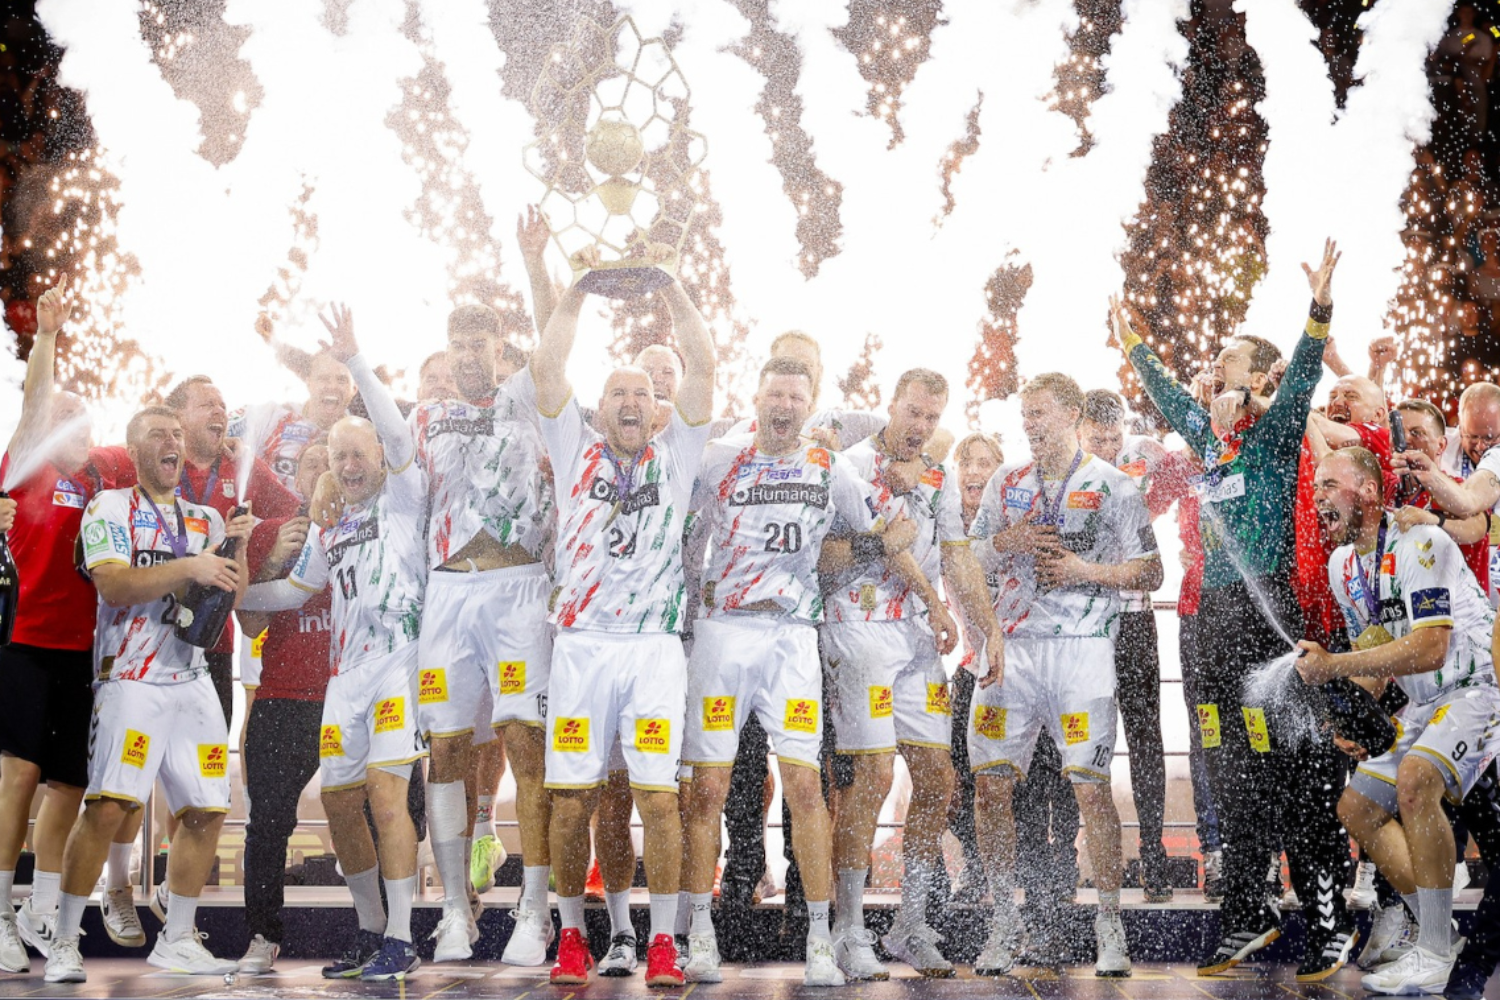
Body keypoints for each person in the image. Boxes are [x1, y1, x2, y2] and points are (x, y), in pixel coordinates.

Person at [1114, 241, 1360, 980]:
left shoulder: (1278, 432)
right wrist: (1131, 342)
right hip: (1210, 623)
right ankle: (1248, 910)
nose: (1216, 370)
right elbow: (1167, 395)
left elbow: (1305, 370)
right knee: (1230, 764)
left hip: (1270, 616)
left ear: (1256, 377)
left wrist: (1319, 308)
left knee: (1295, 767)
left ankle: (1327, 918)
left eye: (1230, 363)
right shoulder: (1207, 439)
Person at [680, 357, 943, 986]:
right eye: (775, 394)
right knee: (709, 790)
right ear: (757, 397)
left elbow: (883, 533)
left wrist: (929, 597)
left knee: (805, 788)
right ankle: (698, 934)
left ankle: (822, 941)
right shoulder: (718, 457)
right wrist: (683, 616)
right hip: (723, 635)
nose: (784, 406)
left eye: (796, 398)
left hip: (793, 640)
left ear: (811, 404)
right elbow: (677, 529)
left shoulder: (830, 465)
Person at [530, 275, 714, 987]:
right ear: (599, 407)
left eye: (642, 393)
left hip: (653, 652)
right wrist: (578, 290)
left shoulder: (680, 452)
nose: (631, 401)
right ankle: (573, 938)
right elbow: (549, 364)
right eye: (617, 393)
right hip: (580, 648)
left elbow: (704, 363)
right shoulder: (572, 445)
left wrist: (670, 287)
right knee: (571, 800)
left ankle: (662, 942)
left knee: (658, 800)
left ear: (659, 408)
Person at [241, 305, 428, 982]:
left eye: (359, 453)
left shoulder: (404, 496)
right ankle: (370, 929)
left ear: (380, 457)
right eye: (339, 455)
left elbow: (398, 433)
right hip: (343, 678)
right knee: (339, 802)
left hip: (398, 668)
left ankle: (403, 935)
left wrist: (354, 360)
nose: (349, 464)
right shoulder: (330, 524)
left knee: (386, 797)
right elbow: (294, 592)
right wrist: (235, 594)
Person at [45, 407, 251, 982]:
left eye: (177, 434)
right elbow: (114, 585)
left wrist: (236, 551)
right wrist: (190, 566)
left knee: (208, 809)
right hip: (131, 679)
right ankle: (64, 940)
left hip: (192, 679)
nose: (172, 442)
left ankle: (177, 938)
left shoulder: (206, 518)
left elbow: (232, 595)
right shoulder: (109, 507)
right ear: (134, 452)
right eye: (158, 434)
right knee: (109, 806)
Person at [965, 372, 1161, 979]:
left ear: (1073, 414)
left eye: (1041, 413)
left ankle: (1109, 923)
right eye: (1026, 414)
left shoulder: (1114, 484)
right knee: (990, 786)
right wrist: (1009, 540)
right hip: (1012, 651)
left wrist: (1085, 570)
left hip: (1082, 651)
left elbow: (1151, 572)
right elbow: (968, 559)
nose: (1031, 424)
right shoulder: (1006, 481)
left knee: (1090, 788)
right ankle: (1004, 920)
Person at [818, 369, 1001, 981]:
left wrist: (988, 628)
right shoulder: (848, 466)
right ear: (891, 406)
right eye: (913, 413)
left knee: (939, 778)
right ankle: (848, 929)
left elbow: (957, 555)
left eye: (932, 417)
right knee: (871, 775)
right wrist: (933, 599)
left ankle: (910, 923)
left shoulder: (939, 475)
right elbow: (824, 556)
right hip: (858, 626)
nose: (921, 426)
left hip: (917, 639)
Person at [1297, 447, 1500, 994]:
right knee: (1356, 807)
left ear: (1368, 491)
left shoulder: (1420, 541)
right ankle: (1440, 938)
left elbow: (1432, 647)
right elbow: (1376, 651)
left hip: (1477, 687)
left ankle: (1431, 951)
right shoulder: (1344, 566)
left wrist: (1334, 665)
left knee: (1415, 781)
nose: (1317, 497)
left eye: (1329, 485)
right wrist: (1350, 715)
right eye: (1314, 487)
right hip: (1425, 702)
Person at [407, 297, 554, 967]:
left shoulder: (527, 397)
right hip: (447, 593)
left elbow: (555, 335)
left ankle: (535, 908)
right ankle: (453, 909)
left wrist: (534, 261)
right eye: (459, 343)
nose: (469, 355)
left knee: (525, 742)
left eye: (481, 343)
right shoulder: (425, 416)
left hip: (517, 589)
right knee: (445, 749)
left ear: (501, 348)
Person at [0, 280, 141, 973]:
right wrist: (49, 339)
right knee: (19, 775)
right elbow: (34, 406)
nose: (77, 431)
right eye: (65, 420)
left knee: (67, 786)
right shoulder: (26, 469)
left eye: (85, 422)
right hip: (24, 643)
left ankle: (44, 911)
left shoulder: (101, 486)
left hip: (85, 656)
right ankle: (0, 913)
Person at [1079, 389, 1188, 901]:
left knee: (1146, 735)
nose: (1106, 447)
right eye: (1096, 439)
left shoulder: (1143, 452)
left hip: (1136, 617)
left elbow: (1192, 465)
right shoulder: (1064, 467)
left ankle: (1154, 852)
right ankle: (1079, 853)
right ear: (1078, 430)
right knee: (1081, 738)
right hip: (1082, 625)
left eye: (1113, 437)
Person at [232, 446, 329, 976]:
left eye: (333, 461)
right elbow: (248, 625)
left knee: (388, 815)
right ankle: (262, 935)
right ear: (297, 478)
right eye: (313, 464)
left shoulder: (374, 525)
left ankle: (383, 932)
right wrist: (270, 559)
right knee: (268, 823)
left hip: (349, 697)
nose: (324, 472)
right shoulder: (273, 531)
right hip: (282, 699)